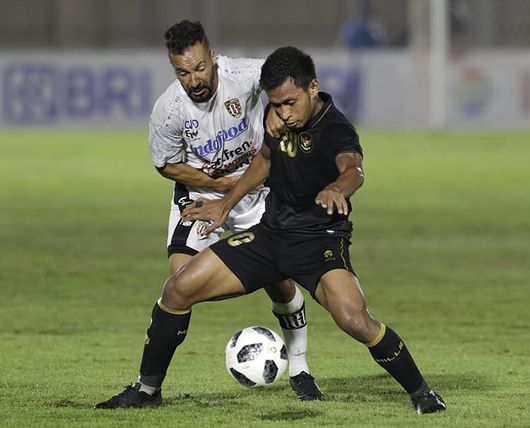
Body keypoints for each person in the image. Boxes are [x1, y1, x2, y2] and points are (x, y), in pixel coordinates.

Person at [98, 45, 446, 415]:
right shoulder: (277, 116)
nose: (284, 112)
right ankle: (147, 390)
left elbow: (353, 168)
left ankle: (423, 394)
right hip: (269, 236)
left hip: (318, 243)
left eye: (290, 102)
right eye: (276, 104)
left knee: (354, 318)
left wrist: (338, 188)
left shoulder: (336, 129)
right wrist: (226, 203)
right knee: (178, 287)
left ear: (313, 88)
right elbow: (264, 161)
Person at [95, 21, 322, 409]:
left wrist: (272, 108)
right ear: (173, 68)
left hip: (258, 193)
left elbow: (289, 78)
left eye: (200, 67)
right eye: (183, 72)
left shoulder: (246, 75)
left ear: (212, 57)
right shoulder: (169, 109)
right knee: (179, 285)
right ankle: (148, 389)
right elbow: (166, 165)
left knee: (282, 282)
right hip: (201, 197)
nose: (194, 79)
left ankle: (299, 368)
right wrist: (218, 188)